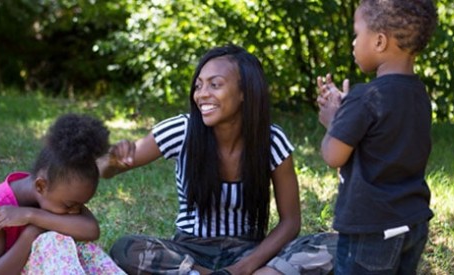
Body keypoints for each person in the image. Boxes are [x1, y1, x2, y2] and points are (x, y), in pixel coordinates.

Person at [97, 44, 337, 275]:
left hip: (249, 253)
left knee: (333, 244)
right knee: (126, 249)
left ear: (245, 92)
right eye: (199, 85)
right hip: (189, 252)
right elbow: (105, 169)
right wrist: (111, 162)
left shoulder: (272, 140)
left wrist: (242, 268)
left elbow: (291, 222)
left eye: (215, 84)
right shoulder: (182, 130)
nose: (202, 94)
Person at [316, 0, 438, 274]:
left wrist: (334, 120)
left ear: (380, 41)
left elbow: (333, 155)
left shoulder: (366, 96)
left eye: (357, 34)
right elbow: (384, 137)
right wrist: (348, 112)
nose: (353, 43)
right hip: (413, 221)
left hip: (372, 229)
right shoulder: (419, 95)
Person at [0, 113, 125, 274]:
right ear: (41, 186)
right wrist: (31, 234)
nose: (75, 211)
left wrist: (31, 216)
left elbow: (91, 230)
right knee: (53, 239)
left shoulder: (57, 195)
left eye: (80, 205)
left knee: (79, 246)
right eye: (71, 205)